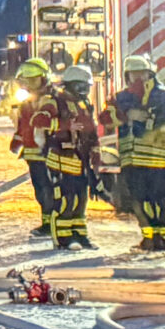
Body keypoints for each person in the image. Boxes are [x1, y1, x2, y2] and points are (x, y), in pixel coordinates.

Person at [111, 55, 165, 254]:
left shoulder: (161, 95)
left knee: (159, 199)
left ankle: (161, 238)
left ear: (149, 73)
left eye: (140, 73)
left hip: (157, 159)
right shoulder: (122, 97)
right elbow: (106, 118)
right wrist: (126, 115)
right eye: (132, 74)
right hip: (131, 160)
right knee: (137, 201)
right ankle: (149, 238)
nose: (136, 78)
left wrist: (151, 118)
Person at [48, 64, 100, 250]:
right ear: (70, 85)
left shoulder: (83, 105)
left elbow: (91, 130)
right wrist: (64, 126)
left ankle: (80, 236)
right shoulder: (55, 101)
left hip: (80, 161)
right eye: (81, 87)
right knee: (65, 200)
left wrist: (95, 151)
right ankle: (62, 239)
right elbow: (39, 121)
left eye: (87, 87)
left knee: (80, 201)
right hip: (61, 160)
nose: (84, 91)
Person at [10, 58, 58, 239]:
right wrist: (17, 140)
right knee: (40, 189)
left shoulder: (53, 99)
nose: (29, 85)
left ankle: (54, 221)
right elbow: (23, 125)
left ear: (44, 79)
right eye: (26, 81)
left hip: (50, 154)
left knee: (51, 188)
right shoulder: (27, 103)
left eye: (33, 80)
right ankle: (47, 222)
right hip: (33, 154)